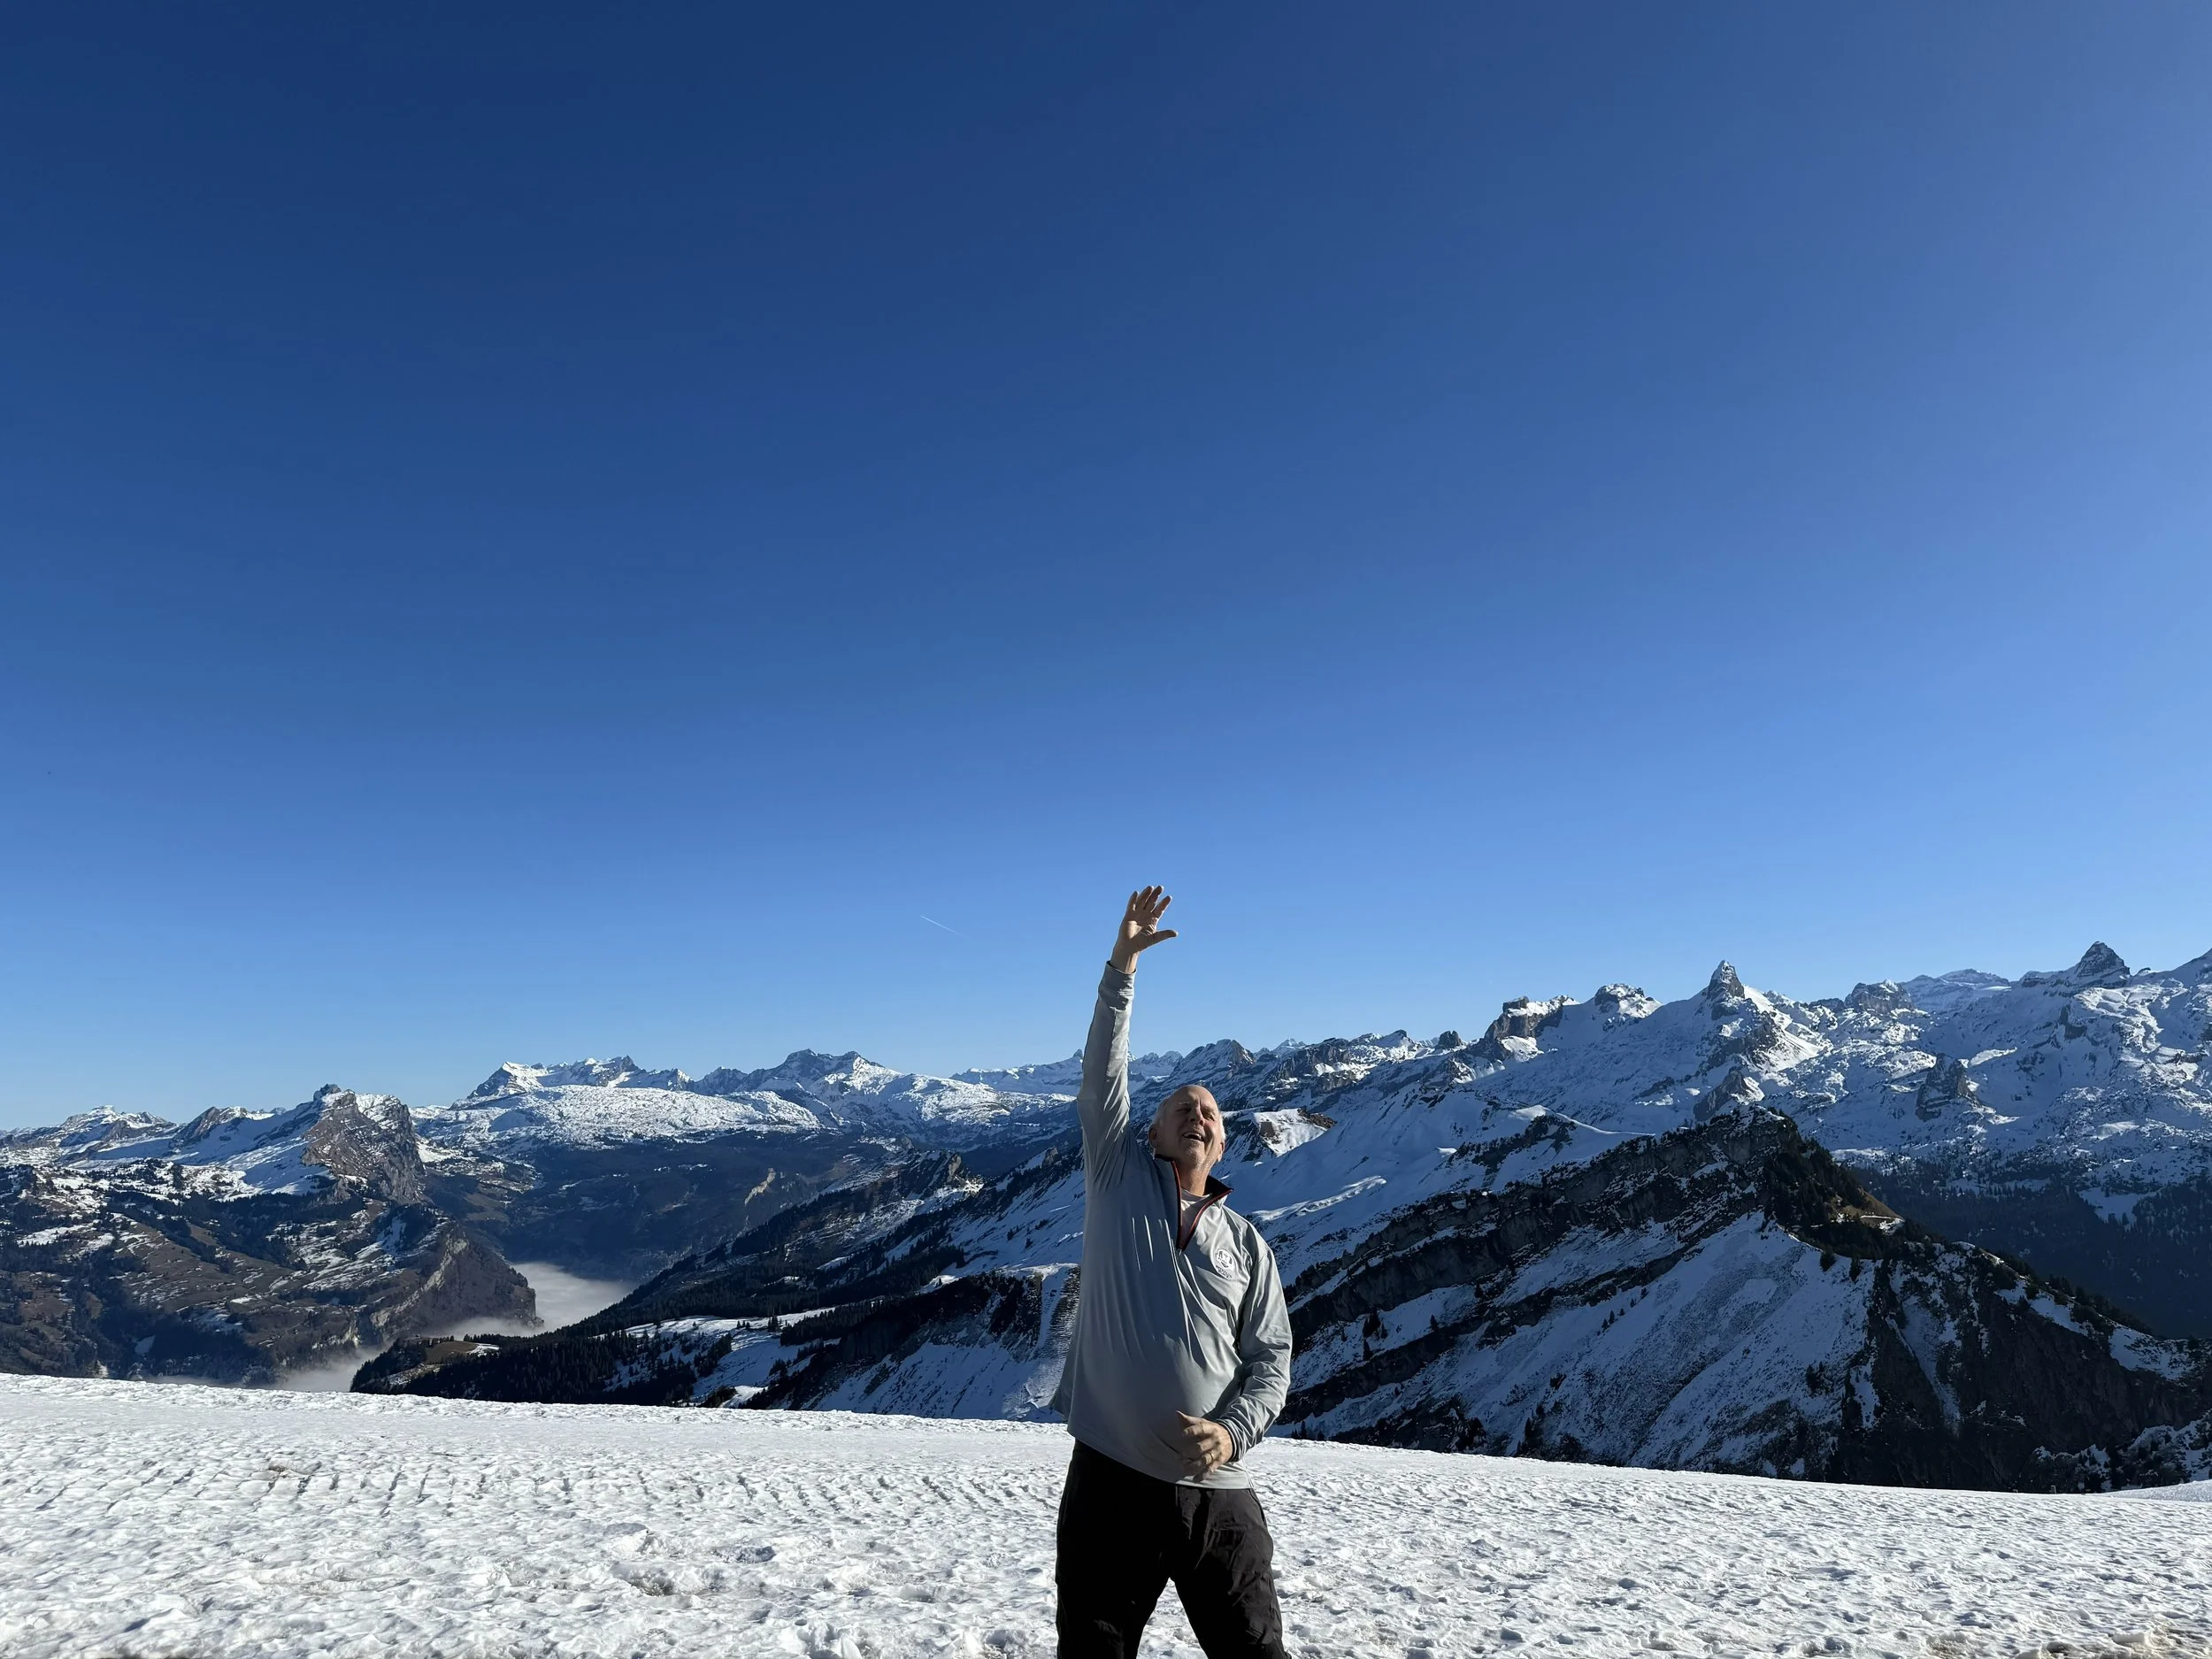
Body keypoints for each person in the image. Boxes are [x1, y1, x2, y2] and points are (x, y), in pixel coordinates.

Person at [1049, 886, 1294, 1659]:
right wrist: (1121, 966)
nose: (1199, 1114)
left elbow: (1271, 1361)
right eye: (1182, 1106)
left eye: (1212, 1113)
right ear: (1146, 1132)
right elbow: (1101, 1079)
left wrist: (1231, 1432)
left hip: (1216, 1494)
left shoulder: (1248, 1244)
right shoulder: (1117, 1177)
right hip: (1111, 1481)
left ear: (1222, 1146)